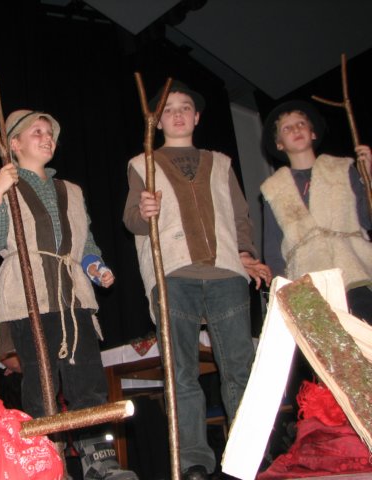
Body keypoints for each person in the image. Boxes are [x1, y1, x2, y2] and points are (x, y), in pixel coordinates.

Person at [123, 81, 271, 480]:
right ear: (156, 121)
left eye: (185, 107)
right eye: (168, 108)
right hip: (173, 275)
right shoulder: (142, 163)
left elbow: (239, 215)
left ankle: (248, 455)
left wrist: (245, 254)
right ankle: (193, 461)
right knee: (181, 372)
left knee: (239, 366)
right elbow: (132, 220)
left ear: (197, 116)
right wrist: (144, 211)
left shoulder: (220, 162)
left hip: (226, 274)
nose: (177, 113)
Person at [0, 110, 137, 480]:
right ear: (14, 144)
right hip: (28, 296)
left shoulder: (72, 191)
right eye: (36, 132)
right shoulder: (1, 183)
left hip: (73, 296)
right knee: (41, 384)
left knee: (88, 380)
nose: (47, 137)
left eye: (49, 133)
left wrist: (96, 268)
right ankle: (46, 465)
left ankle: (99, 459)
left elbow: (86, 242)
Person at [260, 100, 372, 323]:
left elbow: (367, 219)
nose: (296, 129)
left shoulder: (342, 170)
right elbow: (273, 248)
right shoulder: (273, 189)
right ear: (279, 144)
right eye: (287, 128)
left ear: (312, 133)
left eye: (301, 124)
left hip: (352, 267)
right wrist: (286, 291)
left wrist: (368, 179)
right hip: (309, 279)